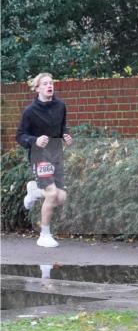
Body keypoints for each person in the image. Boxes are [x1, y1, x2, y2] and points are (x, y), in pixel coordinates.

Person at [16, 73, 72, 248]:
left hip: (56, 156)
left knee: (61, 197)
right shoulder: (30, 111)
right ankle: (44, 235)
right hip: (39, 156)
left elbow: (63, 127)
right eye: (45, 83)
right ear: (38, 88)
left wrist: (66, 136)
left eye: (51, 83)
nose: (50, 86)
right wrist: (34, 141)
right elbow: (20, 136)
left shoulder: (61, 106)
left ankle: (34, 191)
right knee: (52, 193)